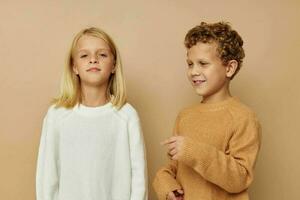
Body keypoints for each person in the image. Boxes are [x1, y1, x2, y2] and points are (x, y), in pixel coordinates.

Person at [153, 22, 261, 200]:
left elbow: (239, 178)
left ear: (229, 68)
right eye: (190, 64)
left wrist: (194, 151)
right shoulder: (185, 116)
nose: (193, 71)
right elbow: (173, 168)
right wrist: (167, 185)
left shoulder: (243, 117)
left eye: (203, 63)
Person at [36, 27, 147, 200]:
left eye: (102, 55)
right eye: (84, 55)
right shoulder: (57, 115)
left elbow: (138, 177)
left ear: (114, 66)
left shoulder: (127, 116)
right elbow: (47, 175)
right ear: (74, 67)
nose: (93, 60)